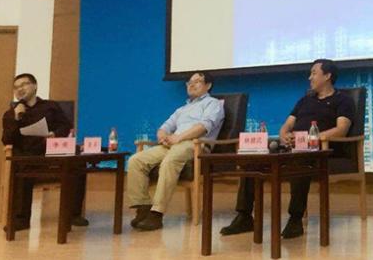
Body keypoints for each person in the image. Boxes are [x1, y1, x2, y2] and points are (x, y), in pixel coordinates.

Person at [220, 59, 354, 239]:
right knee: (252, 161)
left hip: (322, 151)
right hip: (294, 148)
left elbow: (341, 129)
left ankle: (295, 219)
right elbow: (287, 125)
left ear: (328, 76)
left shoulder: (343, 100)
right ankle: (244, 216)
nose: (310, 77)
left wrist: (312, 139)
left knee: (300, 162)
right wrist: (284, 134)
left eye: (314, 73)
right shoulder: (305, 100)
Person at [125, 71, 225, 231]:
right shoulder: (182, 109)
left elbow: (203, 127)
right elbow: (165, 126)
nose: (191, 85)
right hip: (173, 144)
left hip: (195, 144)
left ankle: (157, 213)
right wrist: (162, 135)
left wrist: (179, 137)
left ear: (208, 85)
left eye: (197, 81)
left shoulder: (213, 104)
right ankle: (143, 208)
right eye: (189, 82)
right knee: (136, 160)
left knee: (171, 160)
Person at [0, 73, 87, 231]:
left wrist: (54, 134)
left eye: (24, 85)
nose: (20, 89)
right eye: (16, 87)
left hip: (52, 153)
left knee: (78, 163)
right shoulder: (10, 114)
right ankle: (21, 219)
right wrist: (16, 118)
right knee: (19, 161)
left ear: (34, 86)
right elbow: (7, 139)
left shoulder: (50, 106)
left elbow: (66, 125)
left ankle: (73, 214)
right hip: (28, 156)